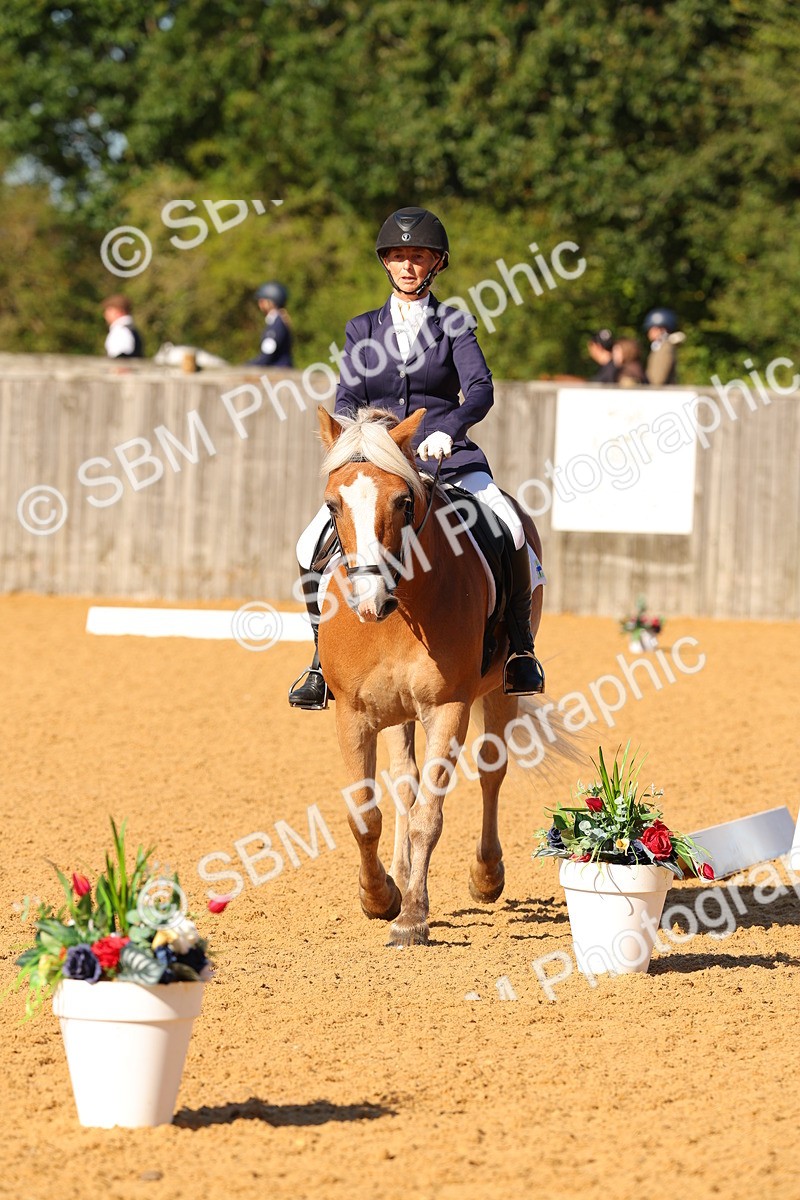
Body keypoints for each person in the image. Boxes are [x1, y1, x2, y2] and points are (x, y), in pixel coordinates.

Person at [288, 205, 546, 710]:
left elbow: (480, 388)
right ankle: (320, 661)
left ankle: (520, 651)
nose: (409, 266)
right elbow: (346, 397)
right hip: (381, 464)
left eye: (419, 257)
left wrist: (449, 428)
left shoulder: (454, 323)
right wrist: (360, 440)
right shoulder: (362, 328)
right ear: (387, 262)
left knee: (510, 527)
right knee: (307, 545)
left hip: (447, 459)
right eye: (400, 256)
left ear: (436, 264)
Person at [248, 281, 293, 366]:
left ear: (270, 302)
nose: (259, 304)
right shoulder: (277, 322)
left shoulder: (276, 325)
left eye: (262, 301)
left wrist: (247, 366)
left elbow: (266, 357)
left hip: (279, 374)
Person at [643, 307, 681, 385]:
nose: (649, 332)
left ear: (661, 329)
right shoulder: (659, 347)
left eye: (652, 328)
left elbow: (658, 379)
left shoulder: (664, 348)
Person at [102, 294, 144, 359]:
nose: (105, 314)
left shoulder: (120, 331)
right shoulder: (129, 328)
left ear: (119, 311)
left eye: (109, 310)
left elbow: (121, 363)